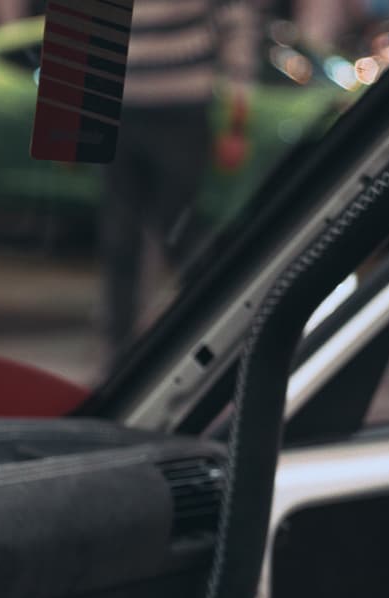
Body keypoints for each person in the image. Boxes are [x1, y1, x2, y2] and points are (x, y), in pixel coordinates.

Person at [100, 0, 263, 359]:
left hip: (182, 110)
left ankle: (207, 335)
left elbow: (238, 28)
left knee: (180, 231)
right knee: (119, 238)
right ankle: (119, 351)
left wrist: (237, 123)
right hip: (118, 107)